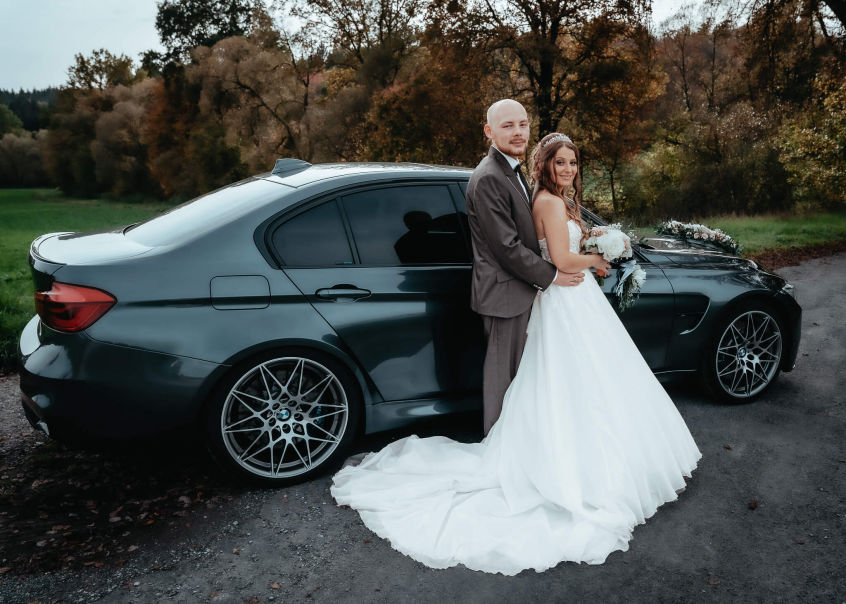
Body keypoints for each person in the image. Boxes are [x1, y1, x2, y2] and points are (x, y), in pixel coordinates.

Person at [330, 132, 701, 576]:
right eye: (559, 162)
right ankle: (571, 466)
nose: (567, 169)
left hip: (575, 301)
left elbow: (564, 244)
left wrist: (598, 237)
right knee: (565, 379)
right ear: (545, 165)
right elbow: (561, 258)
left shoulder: (558, 200)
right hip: (564, 299)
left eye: (573, 163)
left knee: (587, 381)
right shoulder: (546, 200)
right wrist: (598, 260)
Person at [465, 99, 584, 435]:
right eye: (507, 126)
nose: (518, 132)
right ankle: (499, 455)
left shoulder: (511, 171)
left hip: (520, 291)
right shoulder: (489, 177)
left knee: (523, 380)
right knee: (504, 383)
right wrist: (554, 275)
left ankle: (519, 448)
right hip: (505, 296)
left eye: (522, 124)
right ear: (489, 131)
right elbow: (507, 247)